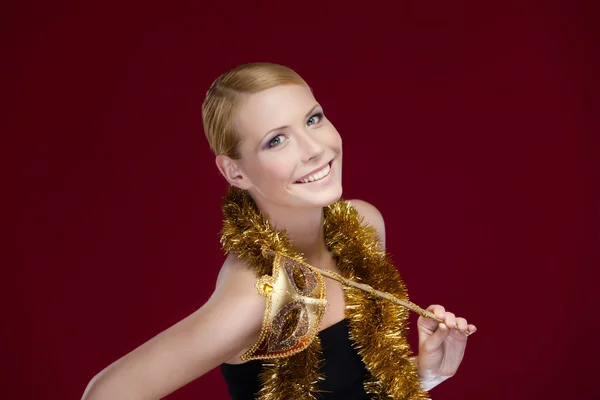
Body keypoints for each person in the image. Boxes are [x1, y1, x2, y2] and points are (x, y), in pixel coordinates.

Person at [82, 62, 477, 400]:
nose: (314, 149)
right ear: (234, 172)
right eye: (276, 140)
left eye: (313, 119)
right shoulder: (255, 297)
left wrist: (424, 374)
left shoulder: (363, 224)